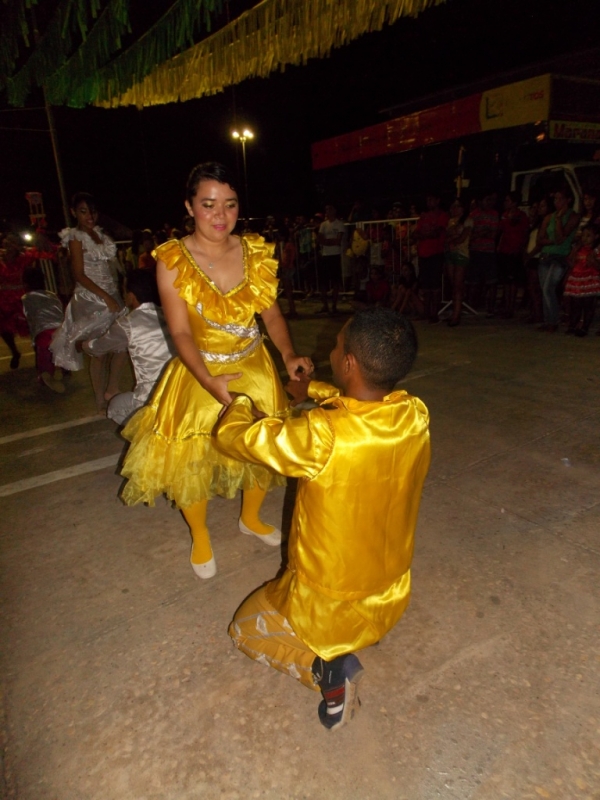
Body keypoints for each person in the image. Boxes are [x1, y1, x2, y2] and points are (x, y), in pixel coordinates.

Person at [213, 308, 430, 730]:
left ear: (348, 362)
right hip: (390, 591)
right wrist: (309, 388)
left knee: (242, 631)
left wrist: (238, 403)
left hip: (328, 604)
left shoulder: (320, 435)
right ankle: (365, 633)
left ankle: (326, 673)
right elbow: (358, 407)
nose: (330, 348)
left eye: (336, 345)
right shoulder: (415, 415)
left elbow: (236, 439)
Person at [119, 162, 313, 579]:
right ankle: (201, 534)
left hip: (254, 367)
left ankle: (251, 518)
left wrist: (288, 355)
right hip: (198, 371)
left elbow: (272, 316)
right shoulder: (172, 259)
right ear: (189, 207)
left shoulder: (253, 251)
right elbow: (180, 332)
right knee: (192, 458)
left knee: (261, 448)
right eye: (208, 205)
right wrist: (208, 380)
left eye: (229, 204)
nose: (220, 215)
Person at [50, 192, 128, 412]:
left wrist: (117, 293)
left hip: (111, 295)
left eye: (92, 211)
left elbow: (109, 269)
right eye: (83, 211)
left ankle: (111, 388)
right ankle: (99, 397)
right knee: (99, 352)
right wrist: (106, 297)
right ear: (74, 213)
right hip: (92, 298)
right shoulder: (75, 237)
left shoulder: (100, 235)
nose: (89, 216)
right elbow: (79, 274)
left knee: (123, 342)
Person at [85, 269, 176, 424]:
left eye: (124, 291)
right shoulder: (171, 314)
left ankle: (148, 431)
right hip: (181, 388)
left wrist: (85, 343)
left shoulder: (127, 324)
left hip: (153, 396)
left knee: (115, 408)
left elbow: (97, 348)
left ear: (131, 296)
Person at [537, 186, 580, 332]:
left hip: (560, 256)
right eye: (555, 198)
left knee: (549, 287)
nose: (556, 201)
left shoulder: (573, 216)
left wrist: (559, 221)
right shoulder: (549, 216)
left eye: (560, 198)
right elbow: (540, 239)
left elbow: (562, 237)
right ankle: (548, 320)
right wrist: (553, 240)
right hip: (546, 255)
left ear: (568, 200)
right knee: (544, 289)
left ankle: (553, 321)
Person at [21, 265, 65, 393]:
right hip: (61, 331)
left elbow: (28, 318)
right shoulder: (53, 295)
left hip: (44, 333)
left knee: (44, 354)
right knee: (62, 351)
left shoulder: (26, 298)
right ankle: (65, 369)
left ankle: (45, 375)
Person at [0, 233, 35, 369]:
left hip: (20, 296)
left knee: (29, 325)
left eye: (10, 243)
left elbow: (37, 252)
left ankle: (41, 352)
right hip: (3, 297)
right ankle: (14, 351)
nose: (7, 246)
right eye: (5, 243)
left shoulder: (22, 258)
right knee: (4, 329)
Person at [414, 194, 448, 323]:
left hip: (435, 253)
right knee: (426, 286)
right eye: (428, 199)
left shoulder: (442, 215)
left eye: (432, 199)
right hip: (424, 253)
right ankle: (427, 312)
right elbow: (416, 233)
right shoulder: (424, 216)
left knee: (435, 285)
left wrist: (424, 235)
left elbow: (437, 232)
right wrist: (426, 234)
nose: (429, 202)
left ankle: (434, 313)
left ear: (438, 200)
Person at [496, 192, 529, 318]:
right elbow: (501, 232)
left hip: (514, 251)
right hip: (504, 250)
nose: (505, 203)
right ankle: (506, 306)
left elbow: (525, 234)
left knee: (513, 281)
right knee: (506, 281)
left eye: (508, 200)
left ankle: (511, 307)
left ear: (514, 202)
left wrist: (520, 248)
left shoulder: (521, 216)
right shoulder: (504, 215)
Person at [563, 224, 600, 337]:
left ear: (596, 236)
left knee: (588, 305)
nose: (585, 238)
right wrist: (573, 255)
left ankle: (585, 327)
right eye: (583, 235)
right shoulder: (579, 248)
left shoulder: (596, 250)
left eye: (588, 236)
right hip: (577, 279)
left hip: (589, 279)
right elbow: (570, 262)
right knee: (576, 304)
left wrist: (593, 260)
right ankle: (573, 325)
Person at [466, 193, 499, 316]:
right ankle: (472, 305)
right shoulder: (473, 215)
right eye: (487, 199)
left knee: (492, 281)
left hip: (489, 251)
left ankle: (491, 307)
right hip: (475, 250)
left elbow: (493, 234)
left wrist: (480, 233)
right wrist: (482, 233)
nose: (489, 202)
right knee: (473, 280)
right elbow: (470, 235)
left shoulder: (494, 214)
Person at [444, 198, 473, 326]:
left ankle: (456, 315)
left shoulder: (468, 220)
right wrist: (453, 237)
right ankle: (456, 311)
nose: (454, 209)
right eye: (453, 206)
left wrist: (452, 238)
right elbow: (448, 236)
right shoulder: (451, 221)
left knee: (457, 285)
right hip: (451, 253)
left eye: (457, 206)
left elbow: (462, 238)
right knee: (453, 284)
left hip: (461, 253)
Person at [317, 204, 346, 315]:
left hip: (335, 255)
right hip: (325, 255)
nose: (327, 212)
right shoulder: (323, 224)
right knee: (323, 282)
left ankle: (334, 306)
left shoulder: (339, 224)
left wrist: (326, 241)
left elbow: (338, 240)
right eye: (326, 210)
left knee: (335, 282)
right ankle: (325, 305)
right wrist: (330, 241)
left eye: (329, 209)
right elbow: (320, 239)